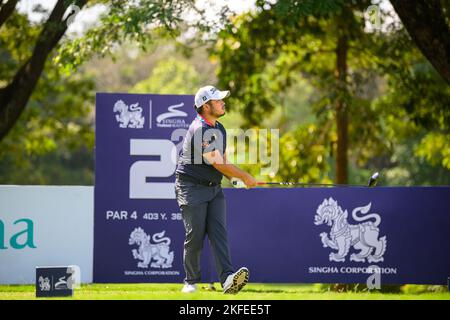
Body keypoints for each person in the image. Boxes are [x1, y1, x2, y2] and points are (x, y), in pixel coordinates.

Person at [175, 85, 257, 294]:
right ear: (205, 106)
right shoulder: (200, 129)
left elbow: (223, 161)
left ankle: (228, 279)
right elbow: (217, 163)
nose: (222, 102)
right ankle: (190, 282)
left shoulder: (218, 127)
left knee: (219, 233)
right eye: (218, 100)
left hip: (213, 188)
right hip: (191, 187)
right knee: (195, 235)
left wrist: (234, 179)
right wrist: (245, 176)